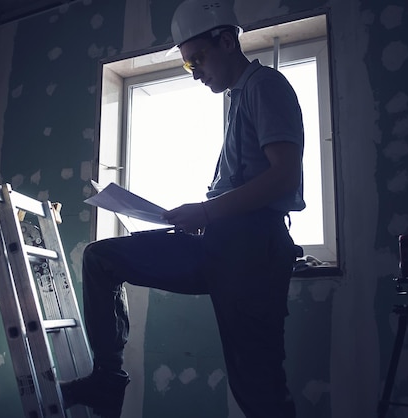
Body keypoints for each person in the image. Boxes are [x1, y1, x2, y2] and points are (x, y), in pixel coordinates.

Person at [60, 0, 305, 417]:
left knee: (258, 388)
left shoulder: (265, 85)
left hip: (253, 253)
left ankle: (107, 380)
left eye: (198, 59)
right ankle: (108, 380)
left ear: (227, 41)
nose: (195, 73)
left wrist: (206, 213)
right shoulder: (239, 98)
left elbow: (284, 177)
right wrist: (203, 218)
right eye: (189, 64)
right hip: (222, 246)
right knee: (102, 259)